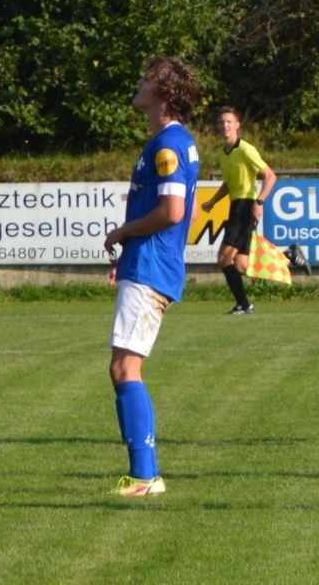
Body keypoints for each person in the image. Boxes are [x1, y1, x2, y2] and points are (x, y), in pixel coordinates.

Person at [102, 56, 200, 497]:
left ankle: (145, 475)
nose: (139, 85)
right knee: (122, 366)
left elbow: (174, 211)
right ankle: (143, 472)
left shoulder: (167, 146)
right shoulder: (176, 142)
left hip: (150, 268)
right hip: (149, 263)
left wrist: (124, 233)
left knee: (126, 367)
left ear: (163, 93)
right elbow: (187, 213)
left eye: (146, 80)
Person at [200, 106, 278, 316]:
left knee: (223, 258)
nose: (225, 125)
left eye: (229, 122)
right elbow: (229, 183)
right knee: (241, 265)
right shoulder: (222, 153)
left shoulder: (246, 149)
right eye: (221, 122)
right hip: (235, 206)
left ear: (237, 125)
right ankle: (289, 254)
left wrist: (259, 202)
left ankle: (244, 304)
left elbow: (270, 176)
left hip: (245, 207)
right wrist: (213, 201)